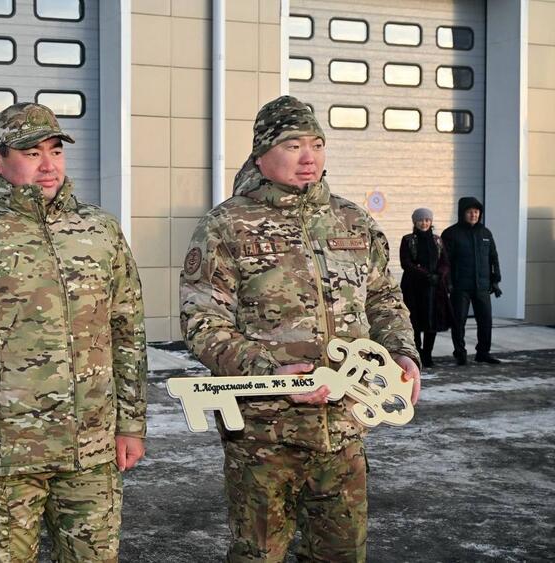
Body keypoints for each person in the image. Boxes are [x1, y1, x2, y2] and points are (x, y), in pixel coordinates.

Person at [180, 95, 421, 563]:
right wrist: (271, 370)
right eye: (293, 145)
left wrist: (401, 352)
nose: (309, 157)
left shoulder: (353, 220)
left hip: (345, 431)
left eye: (317, 144)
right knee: (258, 556)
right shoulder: (226, 225)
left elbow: (384, 299)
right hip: (264, 436)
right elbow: (202, 322)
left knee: (342, 555)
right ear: (261, 154)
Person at [0, 102, 148, 562]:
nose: (47, 165)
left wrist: (131, 424)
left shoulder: (99, 231)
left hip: (91, 453)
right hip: (4, 459)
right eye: (30, 152)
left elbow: (127, 332)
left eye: (55, 151)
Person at [441, 196, 502, 365]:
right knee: (459, 322)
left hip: (482, 286)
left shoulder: (485, 233)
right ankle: (460, 353)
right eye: (470, 212)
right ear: (462, 213)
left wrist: (495, 280)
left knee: (485, 321)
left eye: (476, 212)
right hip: (460, 287)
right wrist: (449, 283)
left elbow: (493, 258)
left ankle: (483, 352)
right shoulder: (451, 234)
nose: (474, 215)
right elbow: (445, 262)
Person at [399, 208, 452, 368]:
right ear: (415, 222)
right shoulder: (408, 240)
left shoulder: (437, 240)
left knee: (432, 322)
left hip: (435, 289)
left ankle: (428, 354)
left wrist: (439, 275)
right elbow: (406, 262)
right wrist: (424, 274)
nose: (424, 223)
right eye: (421, 220)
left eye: (427, 220)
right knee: (415, 322)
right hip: (414, 288)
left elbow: (445, 261)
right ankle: (418, 353)